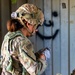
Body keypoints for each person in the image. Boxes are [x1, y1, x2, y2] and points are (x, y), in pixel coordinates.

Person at [0, 3, 50, 75]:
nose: (36, 30)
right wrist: (43, 58)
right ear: (27, 23)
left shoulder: (8, 36)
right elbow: (34, 71)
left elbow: (19, 60)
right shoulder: (22, 42)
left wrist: (37, 55)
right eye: (36, 26)